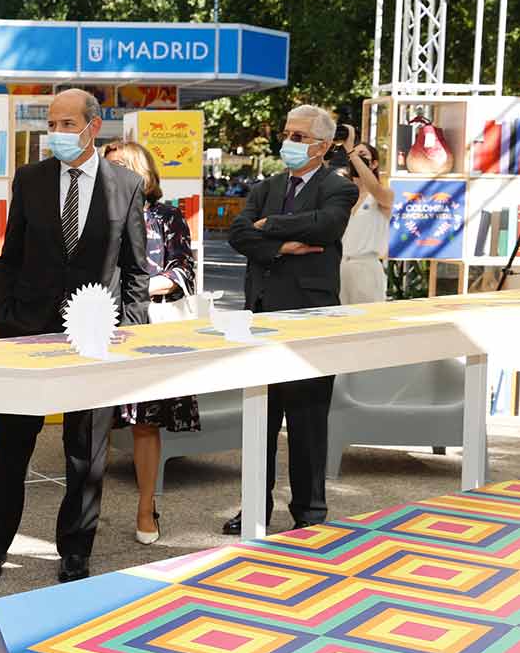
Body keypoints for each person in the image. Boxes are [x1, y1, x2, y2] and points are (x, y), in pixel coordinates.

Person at [0, 89, 149, 585]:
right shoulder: (31, 180)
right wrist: (3, 321)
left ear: (93, 127)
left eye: (66, 122)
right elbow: (10, 257)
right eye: (52, 122)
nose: (56, 132)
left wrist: (129, 334)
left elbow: (135, 270)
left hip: (95, 339)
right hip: (27, 333)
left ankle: (76, 550)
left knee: (86, 451)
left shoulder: (127, 185)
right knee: (13, 446)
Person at [227, 104, 358, 535]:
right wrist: (282, 245)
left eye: (298, 137)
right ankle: (253, 510)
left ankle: (309, 513)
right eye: (287, 133)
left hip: (309, 320)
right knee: (259, 422)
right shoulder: (266, 186)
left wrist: (271, 226)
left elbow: (326, 227)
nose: (289, 143)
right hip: (262, 317)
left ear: (322, 146)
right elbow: (239, 233)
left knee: (307, 423)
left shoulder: (337, 187)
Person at [103, 141, 200, 545]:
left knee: (144, 423)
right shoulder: (90, 215)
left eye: (120, 168)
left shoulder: (164, 216)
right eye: (106, 169)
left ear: (141, 173)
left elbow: (182, 274)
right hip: (99, 327)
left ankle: (146, 508)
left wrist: (136, 293)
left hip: (148, 329)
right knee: (88, 423)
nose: (111, 176)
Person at [338, 125, 393, 304]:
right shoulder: (343, 196)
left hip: (366, 267)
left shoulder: (382, 195)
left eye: (363, 156)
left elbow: (374, 187)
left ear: (374, 163)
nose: (357, 160)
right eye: (354, 156)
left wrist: (351, 150)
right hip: (340, 266)